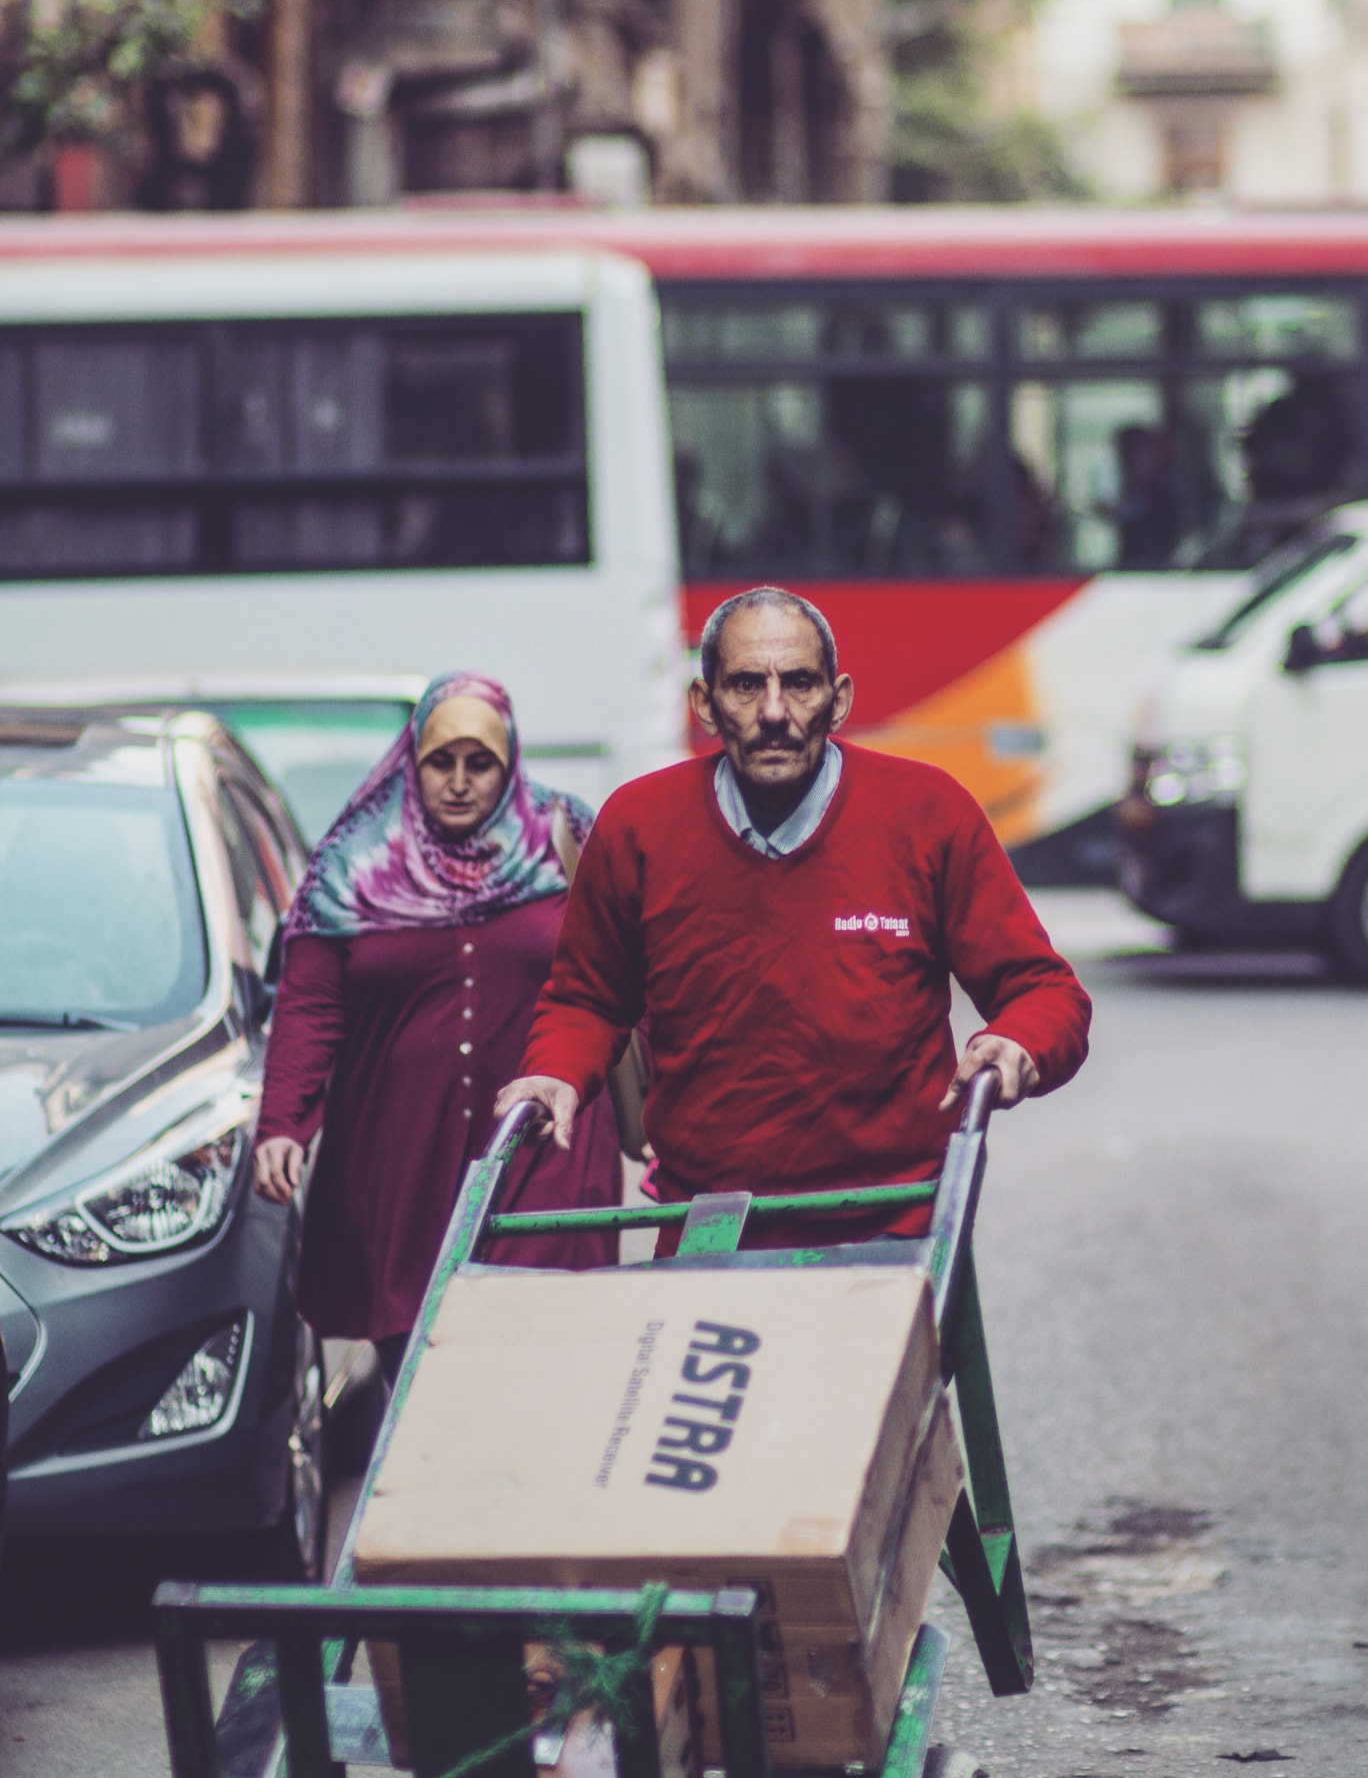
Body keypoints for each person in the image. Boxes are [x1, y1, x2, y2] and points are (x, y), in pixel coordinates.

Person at [494, 588, 1090, 1251]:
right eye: (746, 685)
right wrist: (554, 1071)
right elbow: (589, 999)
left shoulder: (928, 813)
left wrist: (1016, 1044)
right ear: (703, 703)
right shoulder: (639, 826)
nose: (774, 712)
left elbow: (1043, 990)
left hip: (894, 1217)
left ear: (838, 700)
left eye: (798, 684)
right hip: (709, 1218)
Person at [254, 670, 622, 1377]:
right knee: (421, 1351)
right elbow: (309, 1004)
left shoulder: (564, 836)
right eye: (439, 761)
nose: (458, 782)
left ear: (508, 763)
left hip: (547, 1140)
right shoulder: (352, 864)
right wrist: (282, 1124)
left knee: (540, 1339)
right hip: (398, 1150)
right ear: (410, 761)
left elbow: (629, 966)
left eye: (479, 762)